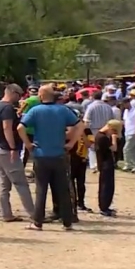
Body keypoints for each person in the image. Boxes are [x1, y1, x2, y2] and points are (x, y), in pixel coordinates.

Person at [19, 85, 80, 231]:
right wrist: (71, 142)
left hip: (41, 154)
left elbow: (20, 127)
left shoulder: (35, 110)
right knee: (62, 189)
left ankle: (37, 222)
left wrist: (28, 144)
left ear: (41, 96)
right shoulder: (63, 110)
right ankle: (67, 222)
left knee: (41, 189)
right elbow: (80, 124)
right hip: (59, 154)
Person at [0, 84, 35, 222]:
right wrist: (12, 148)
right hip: (6, 149)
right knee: (20, 183)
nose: (20, 97)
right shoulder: (7, 108)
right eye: (19, 94)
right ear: (13, 93)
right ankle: (33, 214)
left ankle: (6, 213)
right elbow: (7, 128)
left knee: (4, 184)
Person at [95, 120, 121, 216]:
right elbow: (114, 148)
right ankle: (104, 207)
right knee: (106, 186)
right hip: (105, 164)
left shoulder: (100, 135)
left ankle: (106, 206)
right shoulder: (102, 138)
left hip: (105, 163)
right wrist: (114, 139)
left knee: (108, 186)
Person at [121, 98, 135, 173]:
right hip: (127, 132)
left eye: (124, 104)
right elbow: (124, 121)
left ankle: (128, 165)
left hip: (133, 132)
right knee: (133, 150)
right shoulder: (125, 111)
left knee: (126, 149)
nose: (123, 106)